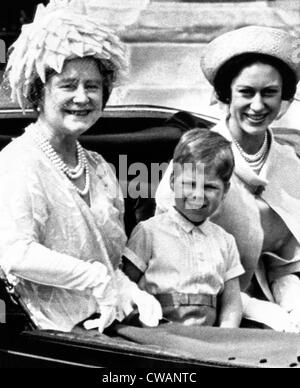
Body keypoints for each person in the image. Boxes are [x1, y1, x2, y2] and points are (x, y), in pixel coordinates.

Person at [0, 0, 162, 333]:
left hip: (110, 326)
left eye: (92, 86)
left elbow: (108, 259)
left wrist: (128, 289)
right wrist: (95, 279)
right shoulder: (19, 162)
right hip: (47, 338)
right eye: (68, 85)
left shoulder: (99, 167)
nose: (82, 97)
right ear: (38, 93)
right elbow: (15, 253)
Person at [155, 26, 300, 332]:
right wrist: (258, 309)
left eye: (270, 92)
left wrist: (292, 304)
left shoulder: (290, 162)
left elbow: (287, 262)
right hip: (205, 314)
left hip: (279, 306)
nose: (258, 106)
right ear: (226, 95)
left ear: (284, 97)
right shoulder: (195, 159)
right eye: (246, 92)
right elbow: (173, 264)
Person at [123, 128, 244, 328]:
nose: (197, 195)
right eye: (189, 184)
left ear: (225, 191)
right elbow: (126, 284)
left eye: (210, 187)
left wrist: (226, 336)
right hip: (156, 333)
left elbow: (232, 301)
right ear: (172, 182)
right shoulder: (149, 232)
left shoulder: (225, 241)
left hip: (206, 340)